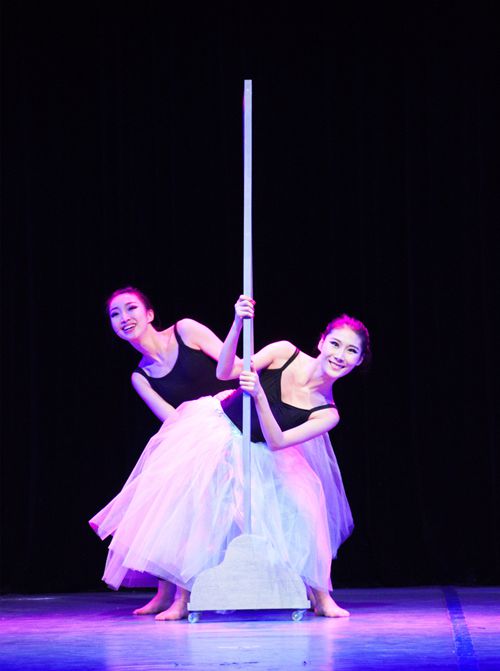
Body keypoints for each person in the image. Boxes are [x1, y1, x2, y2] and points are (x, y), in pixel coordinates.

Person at [90, 295, 370, 620]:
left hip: (266, 450)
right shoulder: (284, 352)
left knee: (305, 511)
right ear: (321, 342)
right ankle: (182, 599)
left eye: (351, 351)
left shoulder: (328, 413)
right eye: (335, 344)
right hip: (218, 428)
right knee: (199, 510)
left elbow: (277, 441)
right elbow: (227, 372)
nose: (339, 355)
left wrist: (260, 396)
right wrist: (237, 322)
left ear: (359, 361)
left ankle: (321, 596)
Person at [102, 286, 236, 615]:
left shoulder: (186, 330)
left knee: (183, 485)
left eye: (131, 308)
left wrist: (238, 322)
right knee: (165, 487)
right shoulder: (141, 376)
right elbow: (172, 420)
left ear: (149, 314)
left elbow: (231, 367)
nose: (124, 318)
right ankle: (166, 592)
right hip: (194, 433)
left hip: (235, 419)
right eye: (115, 314)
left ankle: (181, 598)